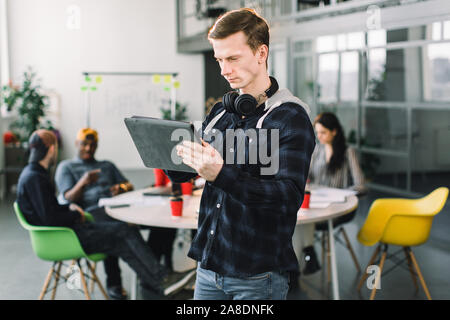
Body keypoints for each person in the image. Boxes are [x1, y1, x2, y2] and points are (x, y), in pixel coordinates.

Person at [165, 8, 316, 300]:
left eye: (232, 58)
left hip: (258, 276)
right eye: (219, 60)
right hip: (209, 268)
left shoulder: (290, 118)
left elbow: (287, 198)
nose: (224, 70)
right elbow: (194, 170)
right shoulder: (222, 111)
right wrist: (174, 156)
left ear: (261, 53)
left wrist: (222, 175)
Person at [17, 129, 168, 299]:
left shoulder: (32, 174)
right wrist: (75, 215)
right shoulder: (37, 178)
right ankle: (163, 278)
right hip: (67, 236)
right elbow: (50, 218)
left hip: (66, 233)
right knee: (125, 231)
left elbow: (49, 210)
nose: (88, 148)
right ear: (52, 149)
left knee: (121, 245)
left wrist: (69, 210)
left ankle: (156, 288)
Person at [54, 128, 133, 300]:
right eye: (84, 144)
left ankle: (152, 275)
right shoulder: (66, 167)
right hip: (89, 217)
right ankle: (116, 284)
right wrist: (83, 182)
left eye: (92, 145)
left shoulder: (107, 165)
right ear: (77, 144)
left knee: (152, 226)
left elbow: (129, 185)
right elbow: (67, 198)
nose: (88, 149)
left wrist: (119, 188)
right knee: (115, 231)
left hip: (115, 211)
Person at [293, 112, 366, 283]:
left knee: (304, 220)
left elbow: (361, 184)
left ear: (334, 131)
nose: (319, 136)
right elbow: (306, 174)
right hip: (317, 202)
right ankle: (305, 255)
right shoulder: (316, 150)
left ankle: (297, 267)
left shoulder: (348, 153)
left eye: (323, 132)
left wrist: (344, 193)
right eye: (317, 133)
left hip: (338, 207)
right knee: (299, 218)